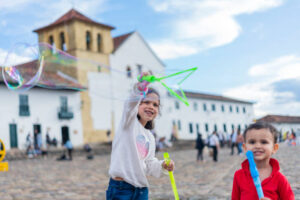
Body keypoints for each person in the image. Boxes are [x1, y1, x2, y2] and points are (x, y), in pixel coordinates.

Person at [107, 72, 175, 200]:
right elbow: (130, 104)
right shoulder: (128, 123)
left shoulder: (150, 136)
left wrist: (162, 166)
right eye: (146, 102)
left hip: (141, 190)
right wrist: (140, 88)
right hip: (121, 189)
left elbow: (148, 164)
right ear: (138, 104)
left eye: (155, 105)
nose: (151, 106)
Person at [231, 122, 294, 200]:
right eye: (252, 142)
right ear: (245, 148)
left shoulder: (280, 179)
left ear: (274, 148)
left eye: (264, 142)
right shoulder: (239, 176)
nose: (257, 146)